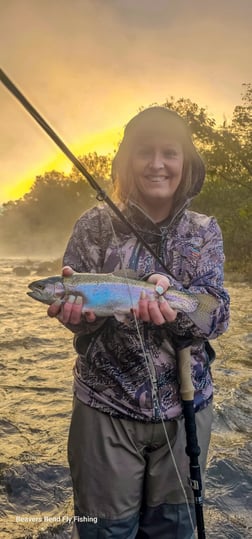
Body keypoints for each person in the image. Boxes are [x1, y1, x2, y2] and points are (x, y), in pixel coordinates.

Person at [48, 106, 230, 539]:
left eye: (169, 152)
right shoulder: (92, 226)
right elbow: (81, 321)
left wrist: (180, 317)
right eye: (144, 152)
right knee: (104, 531)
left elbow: (216, 313)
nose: (156, 164)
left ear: (185, 162)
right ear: (125, 160)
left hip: (186, 409)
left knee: (173, 530)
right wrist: (79, 320)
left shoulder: (205, 231)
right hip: (104, 409)